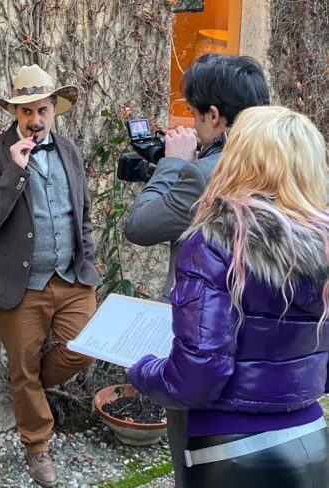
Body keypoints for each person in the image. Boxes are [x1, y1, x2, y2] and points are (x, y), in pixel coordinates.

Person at [128, 105, 329, 487]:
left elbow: (197, 377)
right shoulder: (323, 244)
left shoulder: (216, 241)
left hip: (233, 452)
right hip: (313, 440)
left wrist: (143, 371)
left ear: (240, 158)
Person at [123, 53, 270, 486]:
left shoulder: (202, 174)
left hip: (206, 345)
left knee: (194, 466)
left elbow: (139, 226)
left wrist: (173, 163)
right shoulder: (284, 167)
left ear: (214, 115)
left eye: (194, 113)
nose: (193, 122)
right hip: (271, 355)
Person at [0, 64, 101, 487]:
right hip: (20, 286)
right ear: (15, 112)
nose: (35, 120)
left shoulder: (70, 151)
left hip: (71, 278)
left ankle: (28, 389)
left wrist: (87, 257)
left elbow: (83, 212)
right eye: (26, 111)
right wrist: (15, 170)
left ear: (53, 110)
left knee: (84, 348)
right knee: (22, 368)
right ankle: (37, 445)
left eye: (42, 110)